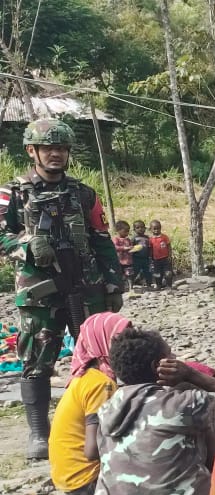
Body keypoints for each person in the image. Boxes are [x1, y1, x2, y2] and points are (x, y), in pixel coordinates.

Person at [0, 118, 125, 460]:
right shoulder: (12, 193)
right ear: (32, 151)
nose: (55, 154)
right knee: (37, 360)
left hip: (86, 286)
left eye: (61, 149)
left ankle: (104, 425)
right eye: (48, 148)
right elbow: (1, 234)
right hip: (40, 290)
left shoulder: (84, 193)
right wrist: (26, 246)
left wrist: (114, 281)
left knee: (99, 359)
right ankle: (40, 433)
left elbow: (101, 239)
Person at [53, 328, 215, 495]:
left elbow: (108, 472)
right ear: (157, 367)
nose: (175, 359)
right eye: (170, 356)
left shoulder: (106, 411)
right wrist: (192, 375)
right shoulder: (181, 404)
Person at [48, 312, 132, 495]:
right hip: (87, 484)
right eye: (120, 340)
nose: (128, 346)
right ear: (102, 342)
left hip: (70, 481)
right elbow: (92, 451)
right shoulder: (101, 385)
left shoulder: (85, 377)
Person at [148, 219, 172, 289]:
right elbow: (150, 249)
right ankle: (159, 285)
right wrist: (150, 257)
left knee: (168, 273)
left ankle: (169, 285)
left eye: (158, 228)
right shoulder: (151, 239)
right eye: (154, 229)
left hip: (165, 258)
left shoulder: (164, 237)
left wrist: (170, 255)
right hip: (156, 259)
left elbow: (169, 246)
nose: (156, 230)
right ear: (151, 229)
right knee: (157, 273)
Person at [130, 220, 152, 289]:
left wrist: (150, 256)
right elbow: (130, 248)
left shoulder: (147, 238)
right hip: (136, 258)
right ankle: (130, 284)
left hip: (146, 258)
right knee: (135, 271)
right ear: (134, 229)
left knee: (148, 272)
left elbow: (149, 247)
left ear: (145, 228)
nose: (140, 229)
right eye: (138, 227)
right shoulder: (134, 238)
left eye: (142, 227)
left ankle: (149, 284)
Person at [111, 221, 133, 287]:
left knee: (129, 274)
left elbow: (130, 246)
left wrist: (132, 248)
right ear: (118, 231)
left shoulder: (128, 239)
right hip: (120, 261)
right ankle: (122, 286)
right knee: (120, 274)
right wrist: (124, 248)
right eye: (125, 231)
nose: (127, 233)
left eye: (128, 231)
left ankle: (130, 286)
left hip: (128, 261)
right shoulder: (116, 239)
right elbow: (115, 247)